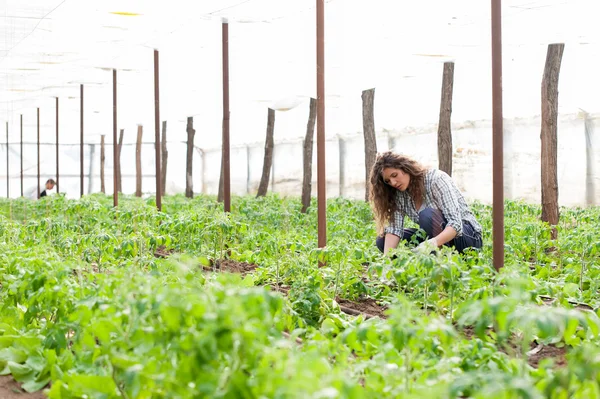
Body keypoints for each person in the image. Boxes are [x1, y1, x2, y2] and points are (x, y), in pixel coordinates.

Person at [369, 151, 482, 255]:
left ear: (405, 168)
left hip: (467, 238)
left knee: (427, 215)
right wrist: (386, 261)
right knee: (383, 241)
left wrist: (429, 244)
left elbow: (456, 225)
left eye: (394, 175)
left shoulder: (436, 179)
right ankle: (418, 260)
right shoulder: (400, 194)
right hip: (437, 238)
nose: (393, 183)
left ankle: (443, 261)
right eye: (388, 181)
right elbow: (395, 229)